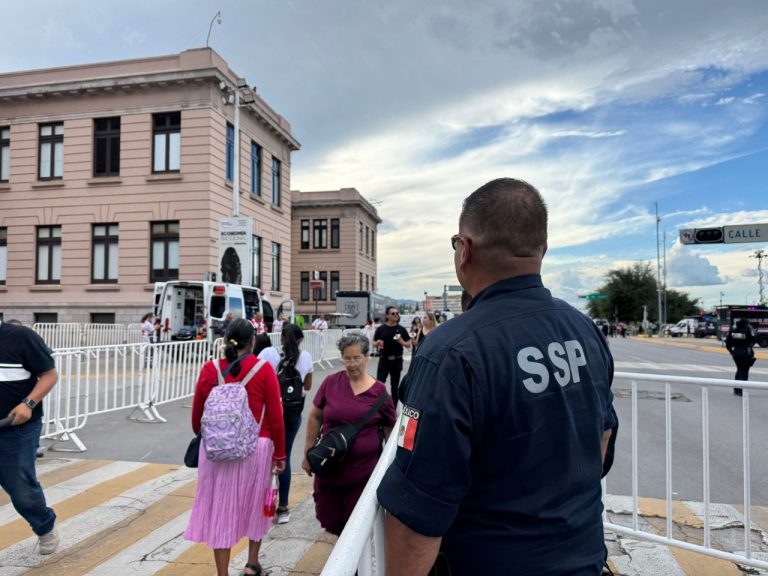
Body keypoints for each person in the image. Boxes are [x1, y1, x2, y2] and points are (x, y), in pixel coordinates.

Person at [377, 178, 618, 576]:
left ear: (464, 249)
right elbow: (603, 442)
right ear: (542, 249)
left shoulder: (450, 352)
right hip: (583, 557)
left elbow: (416, 513)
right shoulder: (585, 330)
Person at [185, 318, 286, 576]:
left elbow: (197, 415)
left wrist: (210, 437)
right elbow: (275, 416)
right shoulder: (263, 369)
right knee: (257, 504)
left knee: (221, 509)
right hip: (257, 447)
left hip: (216, 451)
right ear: (252, 341)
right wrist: (280, 453)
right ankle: (252, 564)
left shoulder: (211, 369)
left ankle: (222, 573)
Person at [301, 333, 395, 536]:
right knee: (330, 520)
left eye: (357, 358)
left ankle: (354, 568)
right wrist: (307, 453)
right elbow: (314, 416)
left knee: (355, 528)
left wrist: (391, 469)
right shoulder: (331, 382)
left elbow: (390, 432)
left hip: (362, 475)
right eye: (347, 358)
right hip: (329, 469)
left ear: (367, 357)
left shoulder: (380, 393)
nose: (352, 364)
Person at [0, 320, 60, 554]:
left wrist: (28, 403)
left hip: (17, 426)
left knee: (20, 487)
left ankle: (44, 526)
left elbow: (49, 374)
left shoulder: (20, 336)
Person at [273, 323, 313, 524]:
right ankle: (283, 508)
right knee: (284, 457)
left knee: (268, 457)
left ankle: (265, 503)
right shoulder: (305, 357)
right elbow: (308, 385)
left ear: (281, 339)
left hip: (273, 413)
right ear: (299, 340)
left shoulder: (273, 357)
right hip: (293, 413)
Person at [372, 307, 411, 405]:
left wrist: (401, 341)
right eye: (393, 313)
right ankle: (378, 406)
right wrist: (377, 342)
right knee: (379, 384)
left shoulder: (401, 329)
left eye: (397, 313)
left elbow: (409, 343)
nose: (396, 315)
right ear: (387, 315)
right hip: (384, 360)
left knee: (395, 386)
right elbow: (373, 342)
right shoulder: (381, 329)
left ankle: (393, 409)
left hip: (396, 360)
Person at [725, 318, 757, 396]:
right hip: (745, 353)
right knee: (744, 372)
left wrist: (732, 352)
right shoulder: (747, 331)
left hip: (736, 353)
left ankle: (736, 389)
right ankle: (741, 390)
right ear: (745, 324)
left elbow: (727, 343)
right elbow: (755, 339)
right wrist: (751, 330)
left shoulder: (733, 332)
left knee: (739, 370)